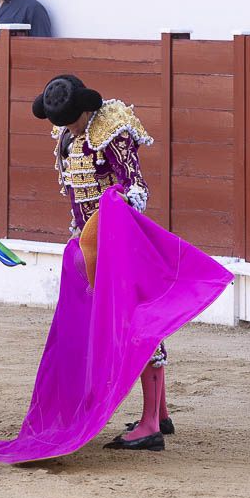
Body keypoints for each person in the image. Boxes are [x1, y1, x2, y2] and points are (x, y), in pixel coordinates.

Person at [37, 75, 173, 451]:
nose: (66, 127)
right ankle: (158, 413)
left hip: (119, 243)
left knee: (135, 326)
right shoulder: (69, 134)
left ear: (85, 108)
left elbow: (137, 189)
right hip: (93, 246)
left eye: (71, 119)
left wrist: (110, 223)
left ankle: (149, 427)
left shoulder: (112, 128)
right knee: (135, 323)